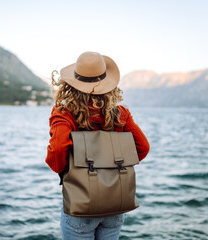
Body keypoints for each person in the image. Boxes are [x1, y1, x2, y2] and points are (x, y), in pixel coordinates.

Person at [45, 51, 150, 240]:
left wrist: (71, 171)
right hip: (115, 204)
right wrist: (115, 165)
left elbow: (58, 150)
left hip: (81, 203)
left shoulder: (64, 114)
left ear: (72, 84)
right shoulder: (121, 113)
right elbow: (143, 148)